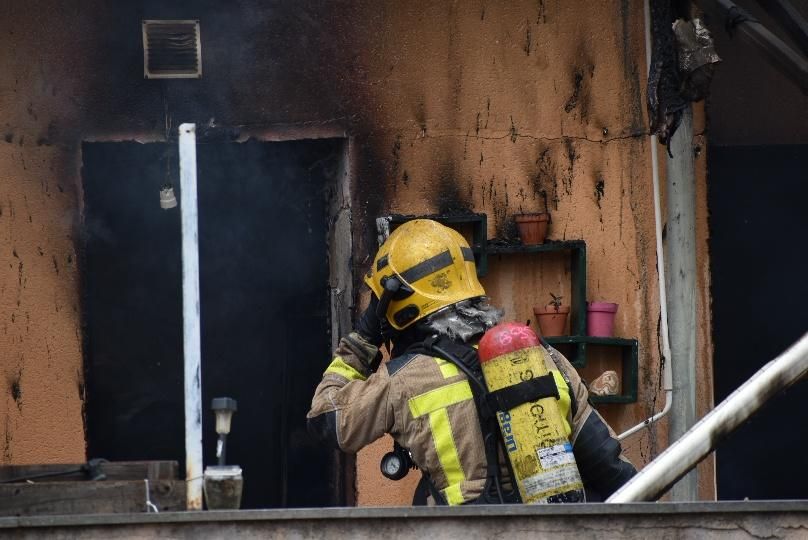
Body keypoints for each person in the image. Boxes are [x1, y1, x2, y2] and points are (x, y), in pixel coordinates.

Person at [307, 219, 635, 505]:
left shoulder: (402, 381)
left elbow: (326, 422)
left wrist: (361, 341)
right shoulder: (541, 355)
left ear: (396, 305)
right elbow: (606, 463)